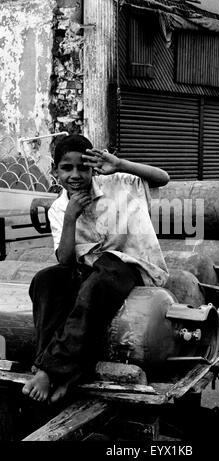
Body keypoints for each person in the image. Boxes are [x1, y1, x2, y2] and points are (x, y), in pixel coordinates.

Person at [22, 134, 169, 403]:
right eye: (67, 168)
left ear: (94, 168)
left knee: (101, 276)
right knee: (45, 280)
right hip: (92, 271)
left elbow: (163, 177)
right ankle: (57, 368)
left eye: (83, 167)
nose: (75, 175)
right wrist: (70, 218)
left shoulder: (118, 183)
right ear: (55, 171)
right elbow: (65, 261)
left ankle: (51, 369)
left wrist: (120, 163)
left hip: (130, 266)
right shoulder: (59, 208)